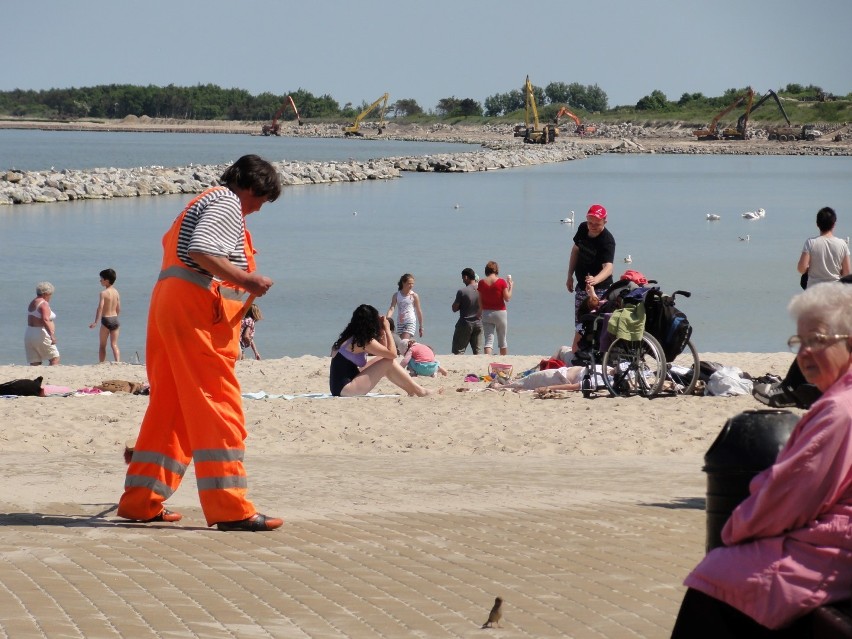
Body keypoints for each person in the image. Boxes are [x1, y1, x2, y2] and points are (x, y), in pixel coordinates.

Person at [672, 281, 852, 636]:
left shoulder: (839, 411)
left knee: (719, 574)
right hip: (833, 546)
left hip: (833, 554)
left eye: (817, 340)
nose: (805, 353)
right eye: (799, 343)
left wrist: (734, 531)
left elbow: (787, 498)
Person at [117, 154, 284, 532]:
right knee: (218, 407)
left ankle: (141, 502)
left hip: (168, 305)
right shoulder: (226, 202)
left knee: (170, 410)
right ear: (250, 185)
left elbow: (189, 252)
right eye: (261, 199)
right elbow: (201, 251)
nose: (259, 208)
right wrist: (249, 281)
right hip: (193, 314)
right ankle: (231, 508)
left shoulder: (203, 200)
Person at [330, 304, 442, 397]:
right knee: (389, 361)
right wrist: (388, 329)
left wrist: (382, 332)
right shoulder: (363, 341)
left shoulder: (351, 337)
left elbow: (384, 352)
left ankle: (411, 390)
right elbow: (393, 354)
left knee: (384, 359)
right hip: (346, 390)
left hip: (339, 387)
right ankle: (420, 391)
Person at [566, 204, 615, 348]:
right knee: (580, 323)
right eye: (590, 222)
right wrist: (569, 275)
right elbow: (575, 250)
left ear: (604, 222)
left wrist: (595, 280)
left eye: (597, 224)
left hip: (600, 289)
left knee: (597, 324)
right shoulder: (582, 228)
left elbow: (609, 268)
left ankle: (596, 353)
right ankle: (578, 353)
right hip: (581, 286)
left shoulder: (607, 240)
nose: (592, 226)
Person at [797, 206, 850, 288]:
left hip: (814, 291)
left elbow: (801, 268)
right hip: (834, 291)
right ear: (834, 224)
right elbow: (847, 273)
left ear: (817, 224)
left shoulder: (810, 243)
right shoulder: (842, 244)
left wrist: (811, 269)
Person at [477, 261, 513, 355]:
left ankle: (488, 361)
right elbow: (507, 298)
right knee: (502, 340)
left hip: (486, 313)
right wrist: (511, 287)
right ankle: (504, 360)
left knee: (488, 341)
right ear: (496, 270)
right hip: (500, 313)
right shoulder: (501, 282)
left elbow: (480, 300)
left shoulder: (481, 282)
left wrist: (480, 311)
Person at [89, 268, 121, 362]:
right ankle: (118, 362)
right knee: (114, 344)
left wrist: (96, 322)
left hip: (106, 319)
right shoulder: (116, 292)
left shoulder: (103, 293)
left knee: (102, 345)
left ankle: (102, 363)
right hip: (115, 319)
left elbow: (100, 308)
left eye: (101, 279)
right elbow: (118, 308)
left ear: (106, 281)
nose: (100, 281)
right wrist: (116, 317)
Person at [25, 281, 60, 366]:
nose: (50, 297)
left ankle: (34, 379)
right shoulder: (44, 304)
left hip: (29, 334)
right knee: (54, 358)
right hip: (40, 334)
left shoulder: (33, 302)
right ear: (45, 293)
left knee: (35, 362)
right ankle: (51, 377)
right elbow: (45, 319)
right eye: (50, 294)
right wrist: (51, 335)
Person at [451, 267, 482, 354]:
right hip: (479, 323)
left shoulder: (462, 291)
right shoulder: (482, 290)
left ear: (466, 277)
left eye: (463, 279)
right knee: (478, 351)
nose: (463, 281)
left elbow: (454, 308)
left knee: (458, 350)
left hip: (465, 323)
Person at [386, 273, 423, 339]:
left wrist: (421, 326)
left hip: (410, 321)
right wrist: (387, 319)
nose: (411, 285)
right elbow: (392, 308)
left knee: (404, 341)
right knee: (401, 345)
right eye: (409, 283)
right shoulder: (396, 295)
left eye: (412, 283)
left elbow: (418, 311)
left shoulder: (414, 295)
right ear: (403, 283)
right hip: (400, 322)